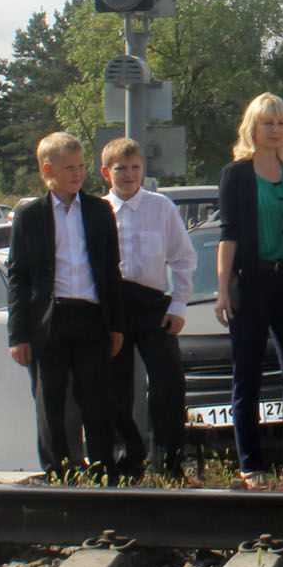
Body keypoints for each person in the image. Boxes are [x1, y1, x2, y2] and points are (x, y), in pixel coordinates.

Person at [7, 132, 126, 479]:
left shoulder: (99, 211)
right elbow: (18, 278)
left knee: (96, 398)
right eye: (69, 168)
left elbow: (111, 270)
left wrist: (115, 324)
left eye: (81, 167)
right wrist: (18, 335)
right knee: (50, 400)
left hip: (90, 315)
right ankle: (58, 469)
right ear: (49, 170)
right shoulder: (30, 216)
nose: (77, 174)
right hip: (49, 319)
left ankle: (104, 469)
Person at [215, 93, 283, 490]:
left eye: (281, 123)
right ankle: (251, 465)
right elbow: (229, 234)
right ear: (251, 128)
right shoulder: (236, 174)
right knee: (248, 377)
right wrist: (222, 290)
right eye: (267, 123)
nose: (275, 130)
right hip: (251, 283)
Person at [101, 137, 195, 481]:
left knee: (169, 381)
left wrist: (179, 303)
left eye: (135, 167)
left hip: (153, 302)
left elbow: (184, 257)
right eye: (121, 169)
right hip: (114, 305)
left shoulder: (161, 207)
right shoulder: (99, 211)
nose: (129, 175)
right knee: (117, 388)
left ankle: (168, 462)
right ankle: (128, 459)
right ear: (106, 173)